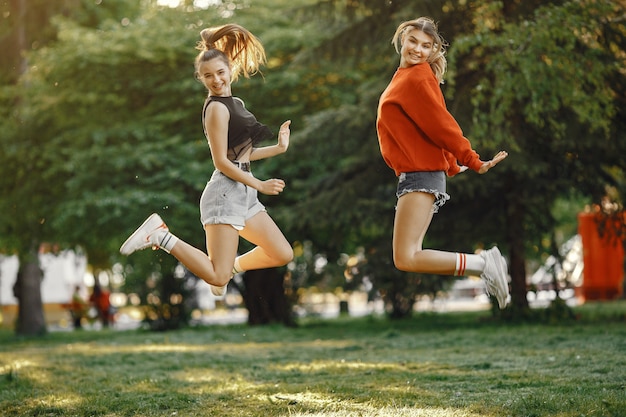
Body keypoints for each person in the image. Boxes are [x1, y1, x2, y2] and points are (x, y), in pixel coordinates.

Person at [119, 24, 293, 297]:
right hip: (225, 193)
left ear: (230, 70)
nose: (216, 80)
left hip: (243, 194)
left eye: (220, 73)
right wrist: (259, 185)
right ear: (200, 78)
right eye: (207, 76)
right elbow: (222, 162)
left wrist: (278, 148)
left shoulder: (236, 103)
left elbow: (242, 155)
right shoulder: (215, 109)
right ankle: (160, 235)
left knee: (282, 253)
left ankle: (231, 267)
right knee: (216, 276)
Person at [376, 17, 510, 308]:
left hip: (418, 175)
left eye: (426, 46)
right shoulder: (407, 76)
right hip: (419, 173)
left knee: (407, 256)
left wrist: (472, 160)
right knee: (406, 257)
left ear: (433, 50)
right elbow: (424, 129)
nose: (418, 49)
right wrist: (450, 164)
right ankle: (482, 264)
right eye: (413, 41)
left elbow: (441, 125)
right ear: (402, 40)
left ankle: (483, 263)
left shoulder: (417, 77)